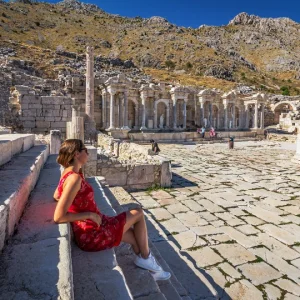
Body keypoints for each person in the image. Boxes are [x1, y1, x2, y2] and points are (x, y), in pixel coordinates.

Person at [53, 139, 170, 281]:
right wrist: (89, 214)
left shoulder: (68, 173)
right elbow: (58, 217)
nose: (88, 152)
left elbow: (57, 195)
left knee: (135, 237)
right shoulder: (74, 179)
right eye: (85, 150)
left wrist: (77, 206)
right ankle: (147, 260)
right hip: (92, 234)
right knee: (138, 213)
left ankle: (153, 269)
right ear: (76, 154)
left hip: (96, 225)